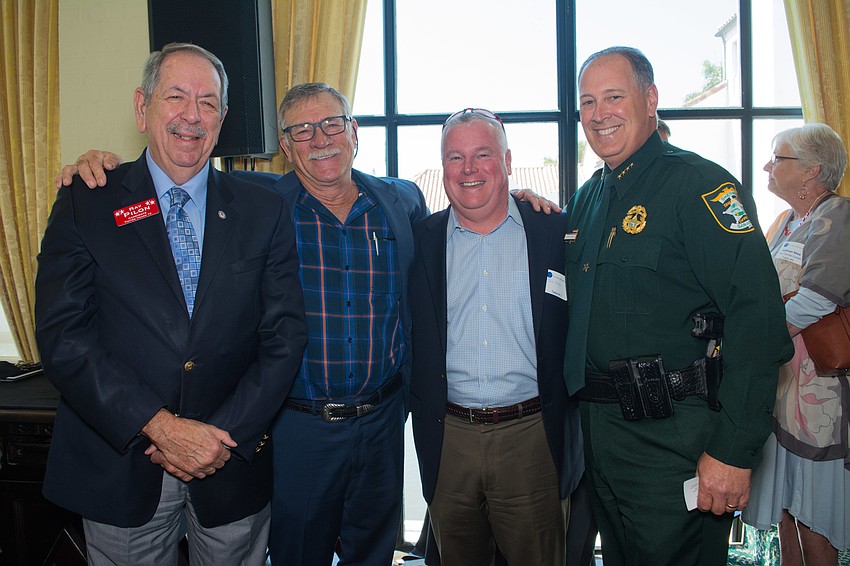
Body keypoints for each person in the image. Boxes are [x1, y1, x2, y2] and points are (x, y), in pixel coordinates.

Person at [57, 83, 561, 565]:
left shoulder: (402, 202)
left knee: (373, 552)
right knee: (299, 553)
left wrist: (522, 203)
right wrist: (101, 166)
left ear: (355, 131)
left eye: (332, 124)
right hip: (297, 429)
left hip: (384, 422)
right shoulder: (258, 206)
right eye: (302, 130)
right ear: (284, 146)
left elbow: (469, 213)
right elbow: (173, 179)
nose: (320, 139)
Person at [35, 43, 307, 565]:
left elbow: (284, 337)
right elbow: (63, 336)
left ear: (223, 118)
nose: (191, 115)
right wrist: (159, 425)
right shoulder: (87, 197)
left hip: (229, 465)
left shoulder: (262, 209)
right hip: (123, 464)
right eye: (175, 96)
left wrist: (218, 441)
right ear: (142, 108)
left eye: (208, 102)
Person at [563, 46, 794, 565]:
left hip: (674, 440)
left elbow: (757, 323)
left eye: (614, 97)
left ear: (650, 99)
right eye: (587, 102)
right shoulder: (586, 198)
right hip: (601, 437)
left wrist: (733, 450)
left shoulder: (699, 187)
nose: (599, 114)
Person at [409, 108, 585, 565]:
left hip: (531, 437)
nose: (469, 169)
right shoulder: (420, 241)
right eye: (455, 157)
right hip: (450, 440)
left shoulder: (556, 232)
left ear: (508, 162)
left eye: (483, 154)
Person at [743, 123, 850, 566]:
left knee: (814, 516)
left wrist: (755, 336)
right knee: (787, 507)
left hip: (817, 394)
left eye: (778, 158)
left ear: (811, 171)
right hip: (782, 387)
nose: (768, 166)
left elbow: (820, 297)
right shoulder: (786, 222)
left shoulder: (838, 216)